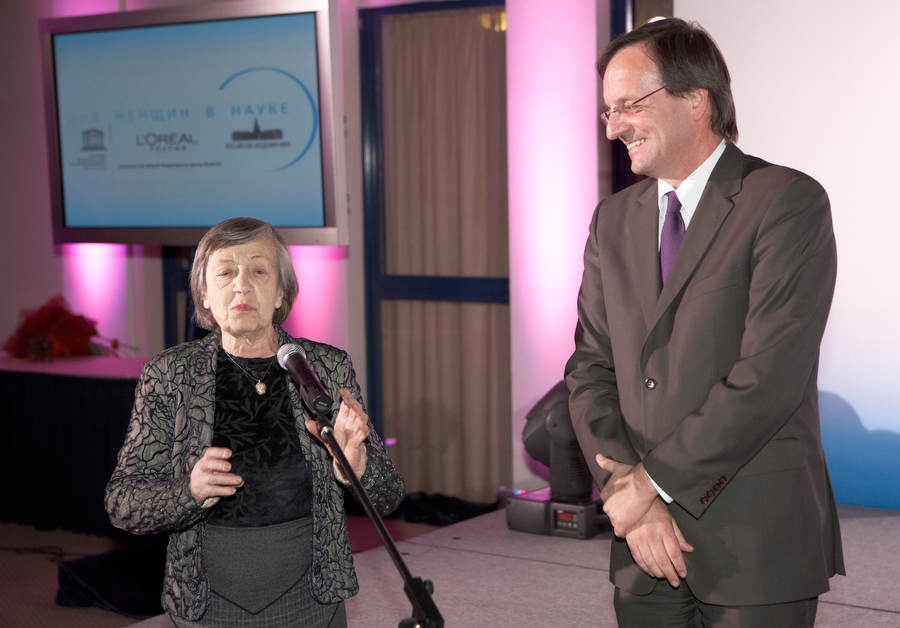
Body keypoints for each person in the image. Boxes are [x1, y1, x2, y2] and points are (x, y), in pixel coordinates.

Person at [564, 18, 844, 627]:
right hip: (641, 542)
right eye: (608, 111)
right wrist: (629, 496)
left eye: (629, 106)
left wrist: (650, 483)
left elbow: (768, 377)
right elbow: (589, 368)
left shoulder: (785, 202)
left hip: (754, 541)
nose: (613, 127)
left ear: (695, 100)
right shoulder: (612, 220)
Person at [105, 217, 404, 627]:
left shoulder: (324, 368)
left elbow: (388, 496)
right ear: (204, 293)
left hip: (312, 600)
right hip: (207, 605)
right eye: (225, 273)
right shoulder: (171, 374)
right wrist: (188, 491)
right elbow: (123, 503)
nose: (241, 286)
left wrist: (355, 466)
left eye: (259, 271)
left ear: (281, 291)